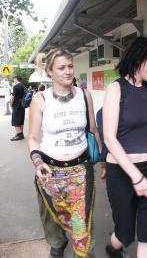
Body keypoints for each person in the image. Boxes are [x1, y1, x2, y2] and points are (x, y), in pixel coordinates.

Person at [28, 48, 102, 258]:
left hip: (81, 172)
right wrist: (37, 162)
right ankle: (57, 247)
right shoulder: (40, 99)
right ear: (50, 71)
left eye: (70, 66)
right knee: (51, 218)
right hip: (49, 172)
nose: (68, 71)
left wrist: (104, 161)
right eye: (62, 67)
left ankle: (83, 253)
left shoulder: (84, 95)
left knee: (83, 221)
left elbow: (93, 130)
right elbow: (33, 137)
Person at [103, 36, 147, 258]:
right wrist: (136, 176)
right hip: (122, 171)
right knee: (124, 233)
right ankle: (113, 248)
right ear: (139, 58)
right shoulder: (116, 89)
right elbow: (109, 138)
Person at [10, 75, 26, 141]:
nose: (14, 80)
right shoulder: (23, 86)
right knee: (21, 120)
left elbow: (13, 96)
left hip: (16, 105)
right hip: (22, 105)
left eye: (14, 79)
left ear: (16, 79)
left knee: (15, 121)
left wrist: (11, 103)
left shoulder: (15, 86)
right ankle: (21, 134)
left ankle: (19, 135)